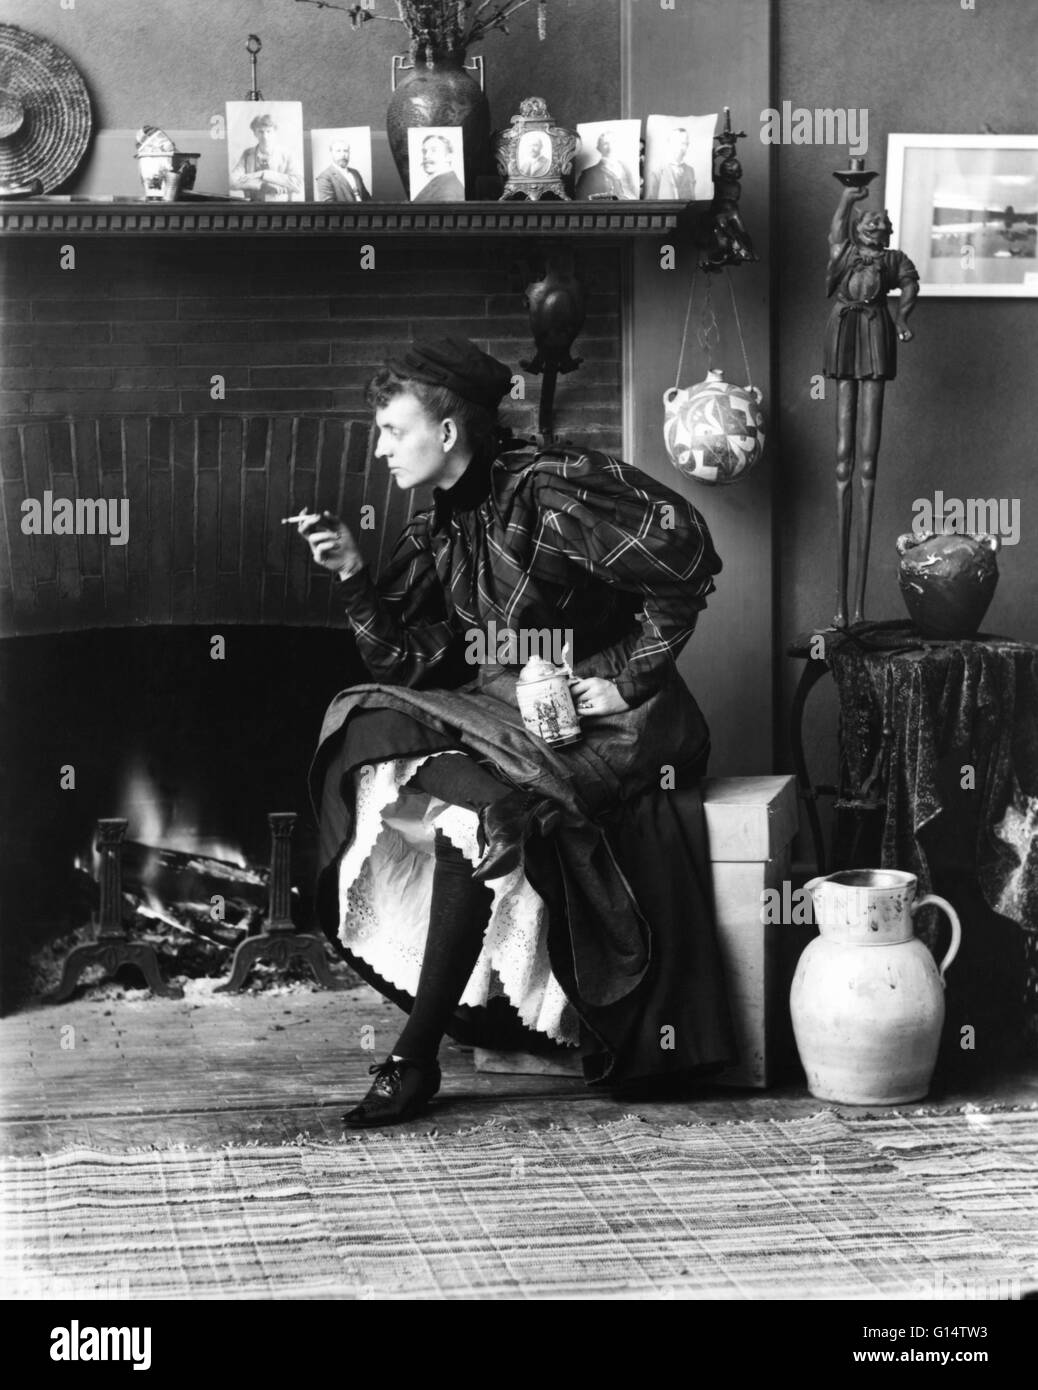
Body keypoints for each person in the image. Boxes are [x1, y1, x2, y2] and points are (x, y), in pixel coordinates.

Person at [298, 336, 734, 1127]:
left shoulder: (548, 491)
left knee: (465, 822)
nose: (381, 447)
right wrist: (354, 576)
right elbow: (407, 661)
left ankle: (413, 1058)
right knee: (369, 715)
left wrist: (622, 678)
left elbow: (688, 561)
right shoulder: (442, 527)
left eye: (394, 430)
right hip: (517, 710)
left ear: (450, 432)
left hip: (615, 725)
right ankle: (502, 807)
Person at [823, 187, 919, 626]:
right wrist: (846, 197)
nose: (878, 230)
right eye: (871, 223)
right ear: (860, 225)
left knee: (868, 462)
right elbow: (835, 229)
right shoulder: (844, 251)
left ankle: (859, 609)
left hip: (876, 332)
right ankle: (841, 609)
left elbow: (911, 281)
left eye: (883, 226)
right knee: (843, 461)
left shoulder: (893, 258)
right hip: (844, 334)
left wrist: (901, 316)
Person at [229, 112, 303, 202]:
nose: (265, 136)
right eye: (261, 132)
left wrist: (263, 174)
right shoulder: (248, 154)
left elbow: (298, 184)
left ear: (275, 132)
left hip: (282, 206)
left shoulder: (287, 154)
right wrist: (262, 185)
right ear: (255, 133)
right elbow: (232, 181)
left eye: (269, 131)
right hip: (252, 207)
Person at [575, 130, 638, 200]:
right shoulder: (588, 174)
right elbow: (582, 200)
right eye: (605, 144)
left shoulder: (627, 169)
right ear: (599, 148)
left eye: (613, 142)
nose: (610, 147)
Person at [413, 134, 465, 202]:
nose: (426, 156)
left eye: (434, 150)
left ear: (449, 157)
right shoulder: (439, 183)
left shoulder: (448, 191)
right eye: (424, 151)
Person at [652, 126, 697, 200]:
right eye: (677, 142)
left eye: (685, 144)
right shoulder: (658, 170)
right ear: (669, 143)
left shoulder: (690, 170)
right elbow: (651, 200)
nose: (681, 147)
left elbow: (693, 198)